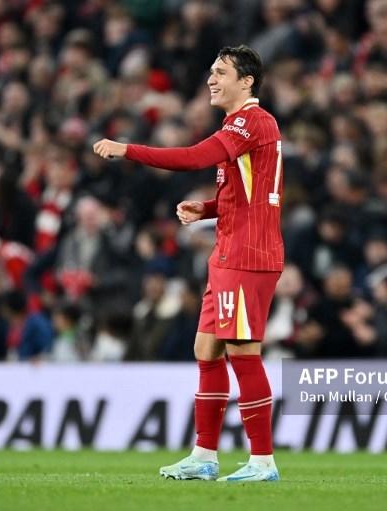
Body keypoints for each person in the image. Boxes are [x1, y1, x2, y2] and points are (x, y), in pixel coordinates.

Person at [93, 45, 283, 482]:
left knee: (242, 352)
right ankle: (204, 455)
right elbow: (253, 197)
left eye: (221, 72)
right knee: (206, 349)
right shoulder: (241, 125)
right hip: (228, 251)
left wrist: (129, 150)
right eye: (210, 72)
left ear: (247, 80)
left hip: (247, 256)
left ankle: (262, 461)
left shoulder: (252, 120)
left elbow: (195, 157)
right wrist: (208, 208)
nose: (211, 80)